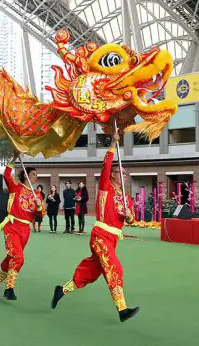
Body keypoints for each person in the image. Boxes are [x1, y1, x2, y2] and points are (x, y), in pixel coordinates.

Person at [51, 132, 140, 322]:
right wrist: (113, 143)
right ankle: (122, 309)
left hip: (113, 239)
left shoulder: (126, 198)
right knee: (115, 268)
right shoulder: (105, 188)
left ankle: (62, 290)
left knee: (91, 272)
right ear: (113, 175)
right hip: (100, 235)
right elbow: (106, 166)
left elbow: (132, 220)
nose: (123, 175)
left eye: (125, 173)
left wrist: (129, 215)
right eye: (120, 172)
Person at [0, 153, 43, 301]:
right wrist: (13, 158)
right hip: (12, 226)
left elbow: (41, 215)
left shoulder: (38, 194)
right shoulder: (16, 187)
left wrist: (39, 207)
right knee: (19, 257)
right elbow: (6, 174)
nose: (36, 177)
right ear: (26, 175)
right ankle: (9, 288)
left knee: (11, 257)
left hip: (25, 230)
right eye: (33, 174)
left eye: (36, 175)